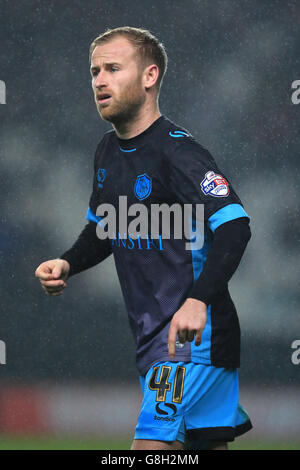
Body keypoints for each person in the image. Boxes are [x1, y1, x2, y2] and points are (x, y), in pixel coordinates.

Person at [35, 27, 252, 451]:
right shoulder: (107, 152)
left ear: (150, 76)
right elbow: (103, 230)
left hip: (192, 343)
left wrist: (197, 301)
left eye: (113, 68)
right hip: (157, 342)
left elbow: (234, 226)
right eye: (95, 71)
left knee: (148, 451)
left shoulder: (179, 153)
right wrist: (67, 262)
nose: (99, 80)